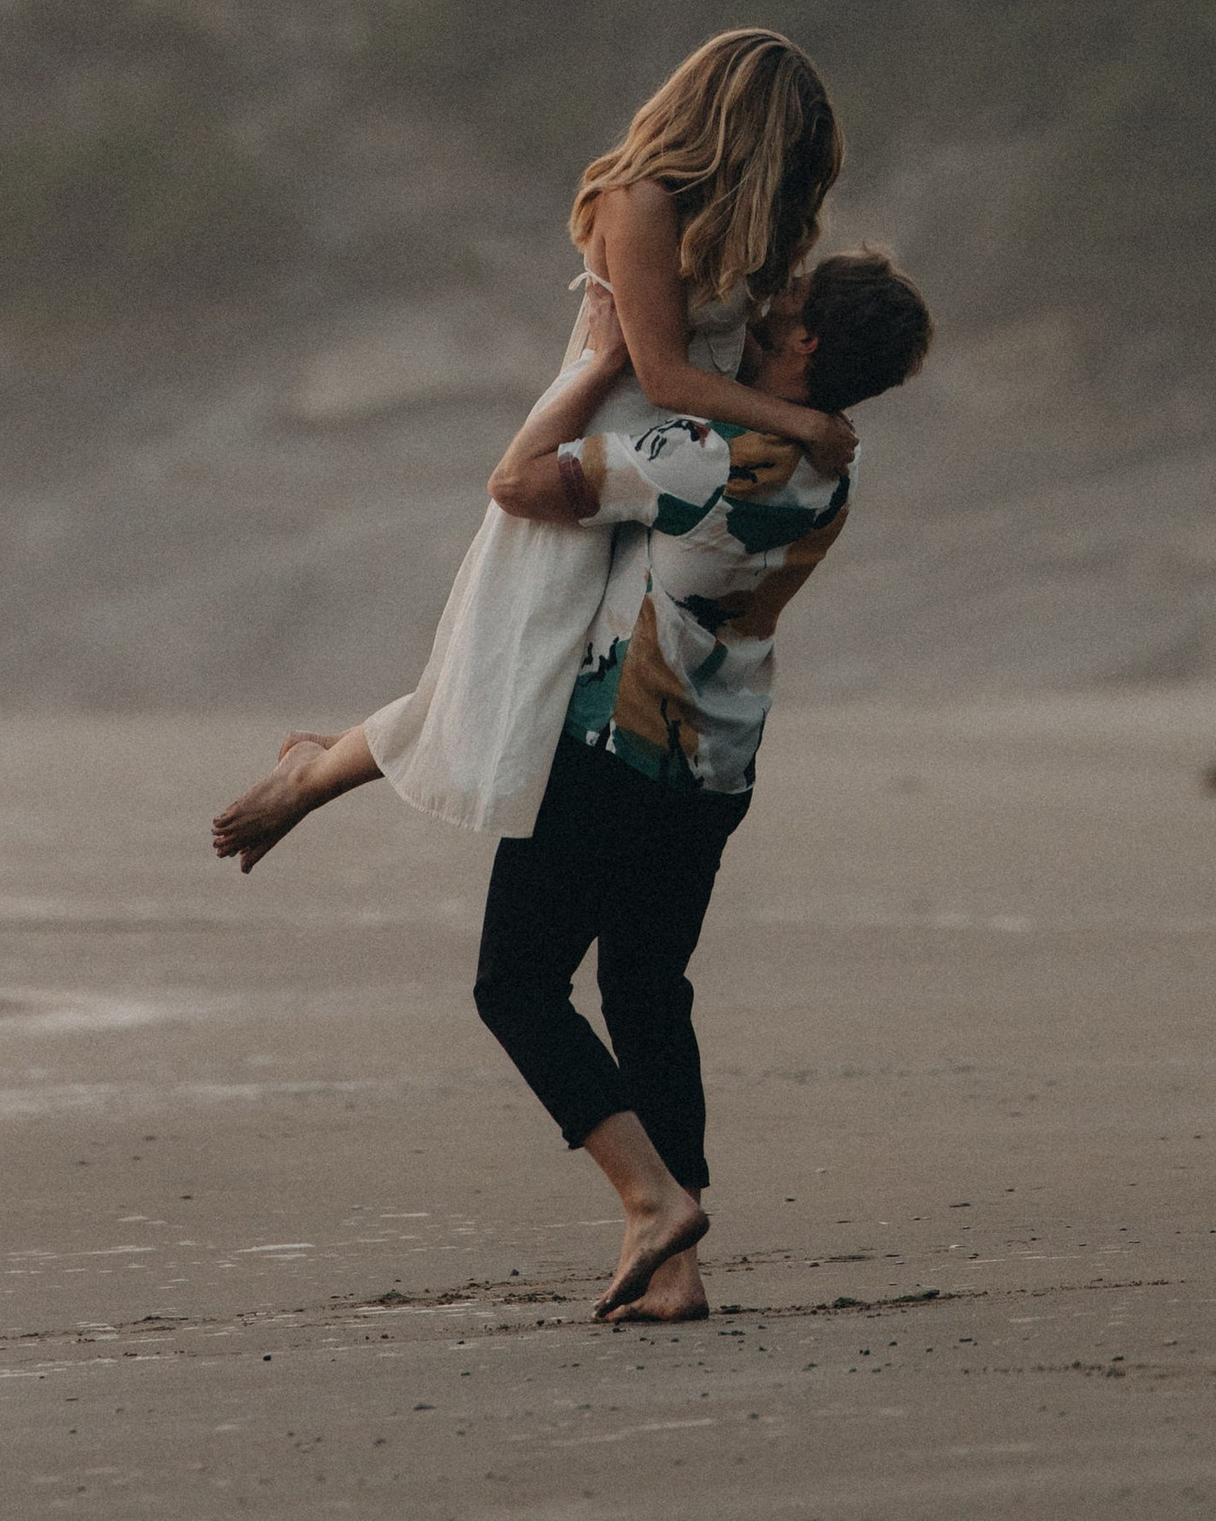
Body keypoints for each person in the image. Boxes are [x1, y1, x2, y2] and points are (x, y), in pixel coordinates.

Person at [221, 246, 936, 1323]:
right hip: (717, 766)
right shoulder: (829, 464)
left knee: (515, 987)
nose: (758, 311)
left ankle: (650, 1201)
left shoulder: (699, 456)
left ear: (804, 346)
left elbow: (517, 484)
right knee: (650, 996)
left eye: (779, 306)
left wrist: (596, 364)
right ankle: (679, 1271)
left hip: (613, 755)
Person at [211, 31, 852, 862]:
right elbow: (659, 372)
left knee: (577, 674)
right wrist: (802, 426)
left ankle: (320, 770)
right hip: (600, 433)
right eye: (790, 151)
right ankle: (310, 777)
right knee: (510, 666)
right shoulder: (642, 200)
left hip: (681, 461)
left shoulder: (739, 221)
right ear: (746, 130)